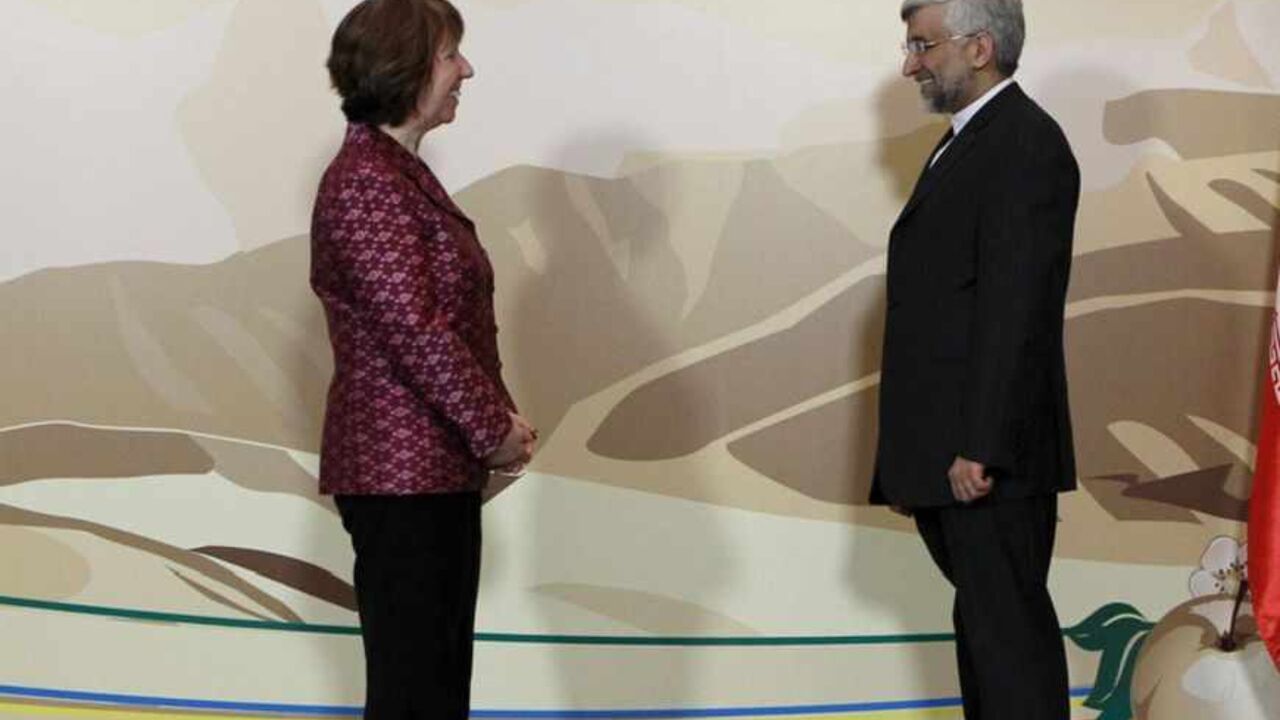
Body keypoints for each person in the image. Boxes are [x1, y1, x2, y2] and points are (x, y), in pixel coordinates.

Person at [309, 1, 535, 717]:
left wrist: (489, 427)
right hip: (400, 479)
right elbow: (414, 328)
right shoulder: (367, 181)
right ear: (403, 67)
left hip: (427, 474)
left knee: (431, 692)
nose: (466, 69)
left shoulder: (395, 172)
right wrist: (492, 428)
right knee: (416, 696)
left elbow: (428, 324)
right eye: (449, 54)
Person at [869, 1, 1080, 718]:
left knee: (1010, 650)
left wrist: (981, 446)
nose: (911, 65)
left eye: (922, 45)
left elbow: (1018, 308)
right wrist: (912, 460)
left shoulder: (1024, 143)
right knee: (989, 642)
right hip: (955, 456)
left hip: (988, 460)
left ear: (980, 47)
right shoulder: (970, 140)